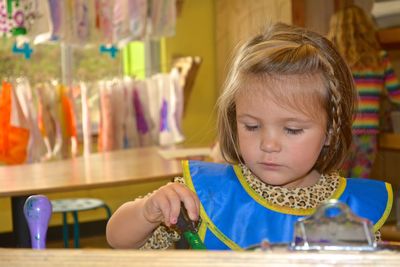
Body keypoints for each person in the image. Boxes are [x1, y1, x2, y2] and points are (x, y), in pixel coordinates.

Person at [106, 22, 393, 250]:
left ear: (330, 131)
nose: (268, 144)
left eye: (292, 129)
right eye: (252, 126)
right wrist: (147, 211)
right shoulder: (208, 193)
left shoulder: (354, 208)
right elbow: (117, 239)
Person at [327, 5, 400, 178]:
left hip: (340, 134)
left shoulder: (334, 61)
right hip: (368, 135)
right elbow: (397, 97)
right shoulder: (379, 59)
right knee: (360, 183)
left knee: (335, 184)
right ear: (366, 30)